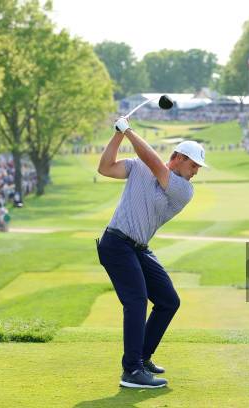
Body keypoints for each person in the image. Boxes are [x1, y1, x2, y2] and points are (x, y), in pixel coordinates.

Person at [96, 116, 206, 389]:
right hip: (116, 244)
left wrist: (128, 130)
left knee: (169, 301)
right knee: (136, 302)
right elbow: (105, 168)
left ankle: (142, 358)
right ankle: (131, 371)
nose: (196, 171)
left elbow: (155, 164)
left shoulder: (184, 190)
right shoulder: (137, 168)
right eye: (193, 165)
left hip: (138, 248)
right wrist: (118, 135)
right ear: (178, 157)